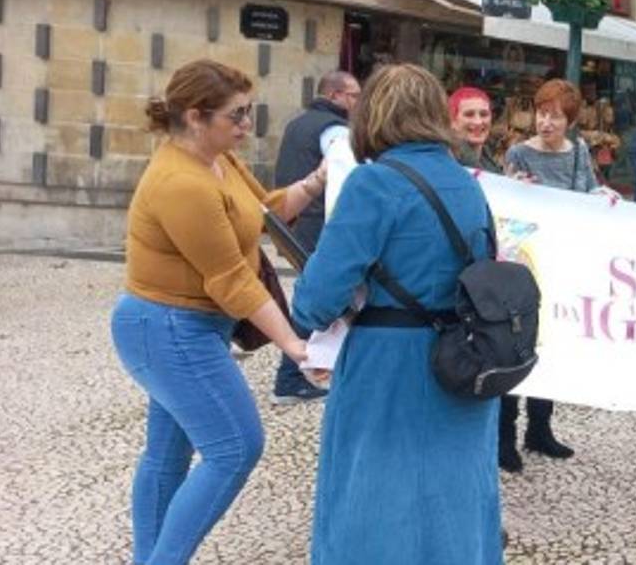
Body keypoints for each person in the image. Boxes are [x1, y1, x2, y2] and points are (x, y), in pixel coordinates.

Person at [292, 64, 501, 564]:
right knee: (453, 500)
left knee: (376, 501)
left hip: (389, 365)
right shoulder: (468, 182)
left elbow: (315, 300)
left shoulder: (373, 184)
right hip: (460, 360)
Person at [112, 59, 318, 565]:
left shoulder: (218, 159)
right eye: (238, 116)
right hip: (167, 329)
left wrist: (319, 180)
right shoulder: (182, 182)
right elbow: (229, 279)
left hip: (181, 327)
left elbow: (265, 210)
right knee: (235, 446)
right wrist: (294, 345)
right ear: (197, 117)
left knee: (168, 457)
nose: (247, 125)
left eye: (249, 112)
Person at [501, 79, 606, 471]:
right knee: (517, 343)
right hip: (527, 264)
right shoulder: (518, 153)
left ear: (570, 120)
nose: (546, 123)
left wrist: (604, 197)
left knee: (551, 346)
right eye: (542, 114)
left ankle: (540, 428)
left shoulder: (578, 152)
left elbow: (590, 190)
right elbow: (509, 209)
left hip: (564, 262)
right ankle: (504, 435)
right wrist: (513, 190)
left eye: (555, 116)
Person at [269, 70, 361, 406]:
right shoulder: (335, 131)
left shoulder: (298, 123)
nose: (357, 103)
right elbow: (345, 174)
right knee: (319, 298)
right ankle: (291, 377)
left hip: (297, 223)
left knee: (315, 295)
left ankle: (312, 367)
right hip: (319, 224)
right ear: (336, 95)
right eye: (354, 96)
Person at [449, 86, 503, 173]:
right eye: (469, 114)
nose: (478, 122)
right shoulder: (448, 159)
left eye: (484, 114)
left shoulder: (487, 157)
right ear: (452, 121)